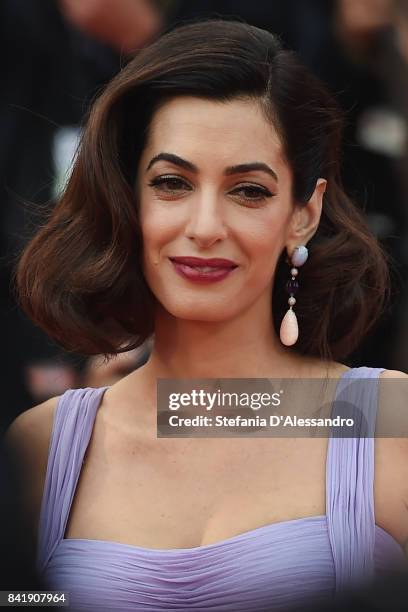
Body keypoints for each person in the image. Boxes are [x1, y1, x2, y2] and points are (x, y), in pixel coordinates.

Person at [5, 19, 408, 612]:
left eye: (248, 190)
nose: (204, 227)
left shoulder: (386, 422)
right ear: (129, 198)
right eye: (172, 183)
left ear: (304, 212)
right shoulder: (42, 445)